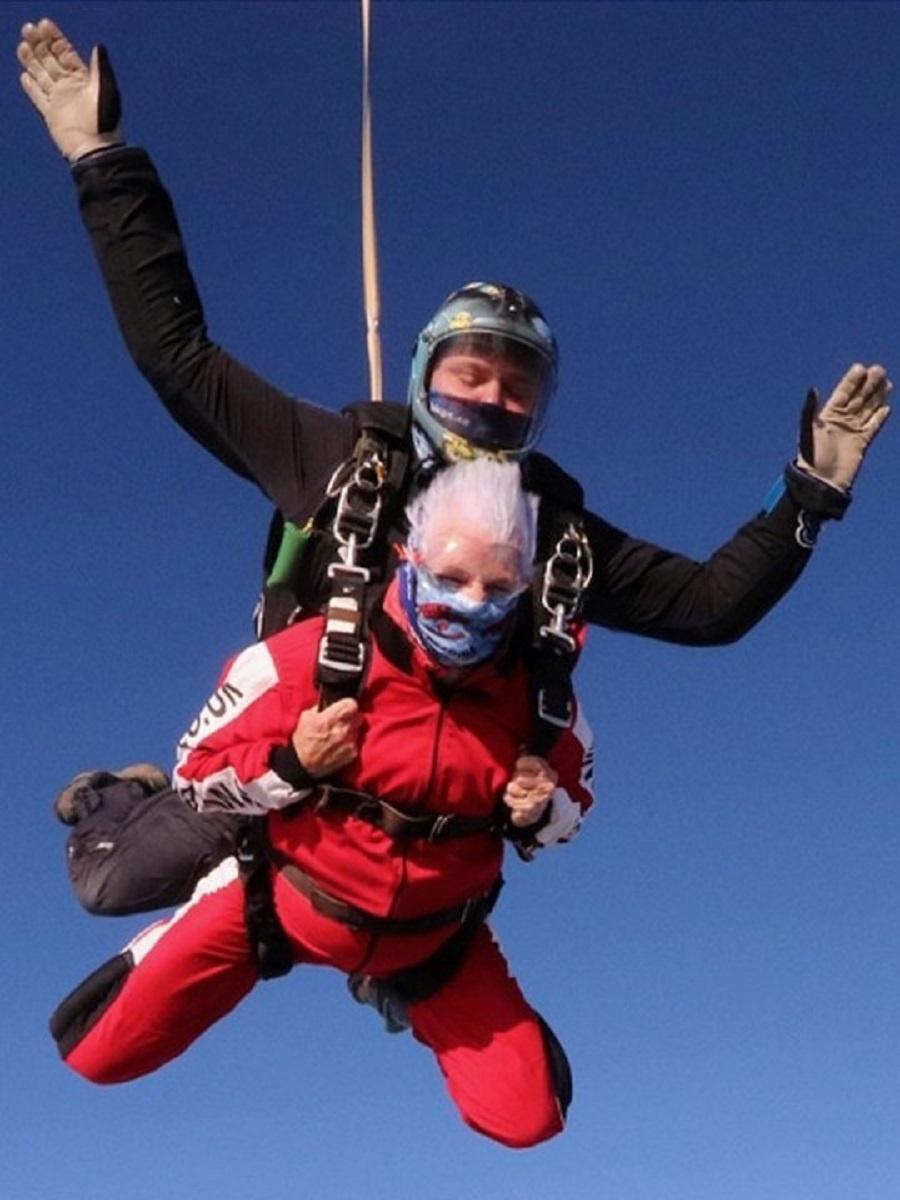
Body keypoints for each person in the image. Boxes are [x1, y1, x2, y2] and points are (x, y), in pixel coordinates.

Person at [18, 19, 892, 919]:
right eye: (470, 373)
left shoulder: (552, 532)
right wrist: (101, 157)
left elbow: (710, 606)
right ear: (423, 376)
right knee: (119, 883)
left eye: (521, 387)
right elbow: (180, 359)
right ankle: (119, 797)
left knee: (429, 919)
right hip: (305, 747)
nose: (494, 399)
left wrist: (809, 495)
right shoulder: (342, 461)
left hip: (430, 799)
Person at [50, 459, 593, 1150]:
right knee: (95, 1049)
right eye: (451, 578)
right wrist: (291, 764)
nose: (472, 603)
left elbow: (574, 810)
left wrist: (540, 812)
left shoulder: (545, 704)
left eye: (499, 585)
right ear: (409, 557)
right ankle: (121, 805)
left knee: (529, 1115)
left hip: (433, 940)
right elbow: (194, 770)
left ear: (525, 589)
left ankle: (388, 981)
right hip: (283, 903)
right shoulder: (310, 658)